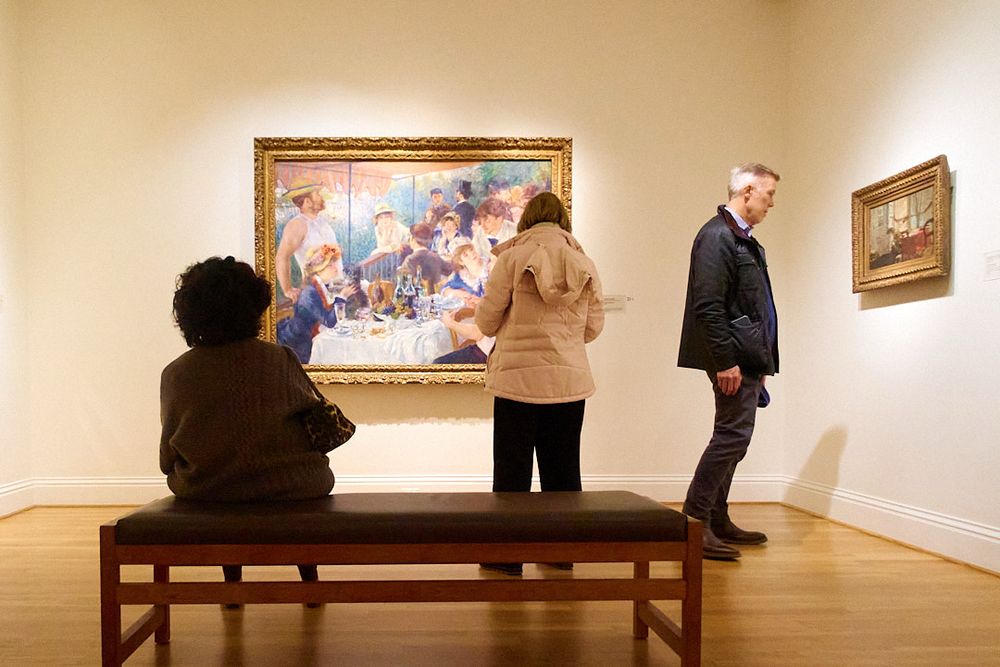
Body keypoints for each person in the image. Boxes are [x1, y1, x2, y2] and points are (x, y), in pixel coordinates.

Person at [160, 255, 337, 595]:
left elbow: (168, 455)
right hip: (294, 487)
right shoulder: (280, 358)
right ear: (254, 308)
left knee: (222, 467)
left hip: (211, 489)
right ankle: (309, 581)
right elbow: (311, 419)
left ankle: (232, 585)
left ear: (189, 313)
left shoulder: (177, 373)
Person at [474, 192, 604, 575]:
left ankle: (507, 557)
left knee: (512, 472)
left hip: (517, 381)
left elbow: (485, 322)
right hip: (568, 381)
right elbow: (594, 326)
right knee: (563, 471)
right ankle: (560, 551)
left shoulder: (512, 258)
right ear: (562, 220)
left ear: (526, 220)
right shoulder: (584, 263)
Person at [677, 163, 780, 561]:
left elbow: (754, 309)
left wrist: (761, 366)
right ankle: (694, 522)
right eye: (769, 195)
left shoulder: (740, 238)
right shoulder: (718, 236)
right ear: (749, 190)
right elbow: (708, 305)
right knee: (731, 438)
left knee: (735, 439)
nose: (772, 204)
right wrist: (726, 361)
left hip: (744, 357)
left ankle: (716, 518)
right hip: (731, 357)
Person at [277, 244, 359, 363]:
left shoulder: (322, 286)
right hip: (298, 344)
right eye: (330, 265)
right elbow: (329, 321)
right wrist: (343, 296)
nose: (336, 268)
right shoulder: (310, 292)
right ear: (318, 270)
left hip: (312, 337)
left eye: (335, 263)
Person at [275, 179, 339, 303]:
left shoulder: (322, 222)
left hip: (334, 288)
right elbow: (282, 257)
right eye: (317, 194)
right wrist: (287, 289)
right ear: (307, 201)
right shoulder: (297, 224)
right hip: (316, 291)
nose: (321, 197)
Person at [400, 222, 452, 292]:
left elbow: (403, 285)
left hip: (416, 299)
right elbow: (450, 270)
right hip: (435, 298)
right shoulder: (435, 257)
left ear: (412, 238)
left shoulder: (410, 259)